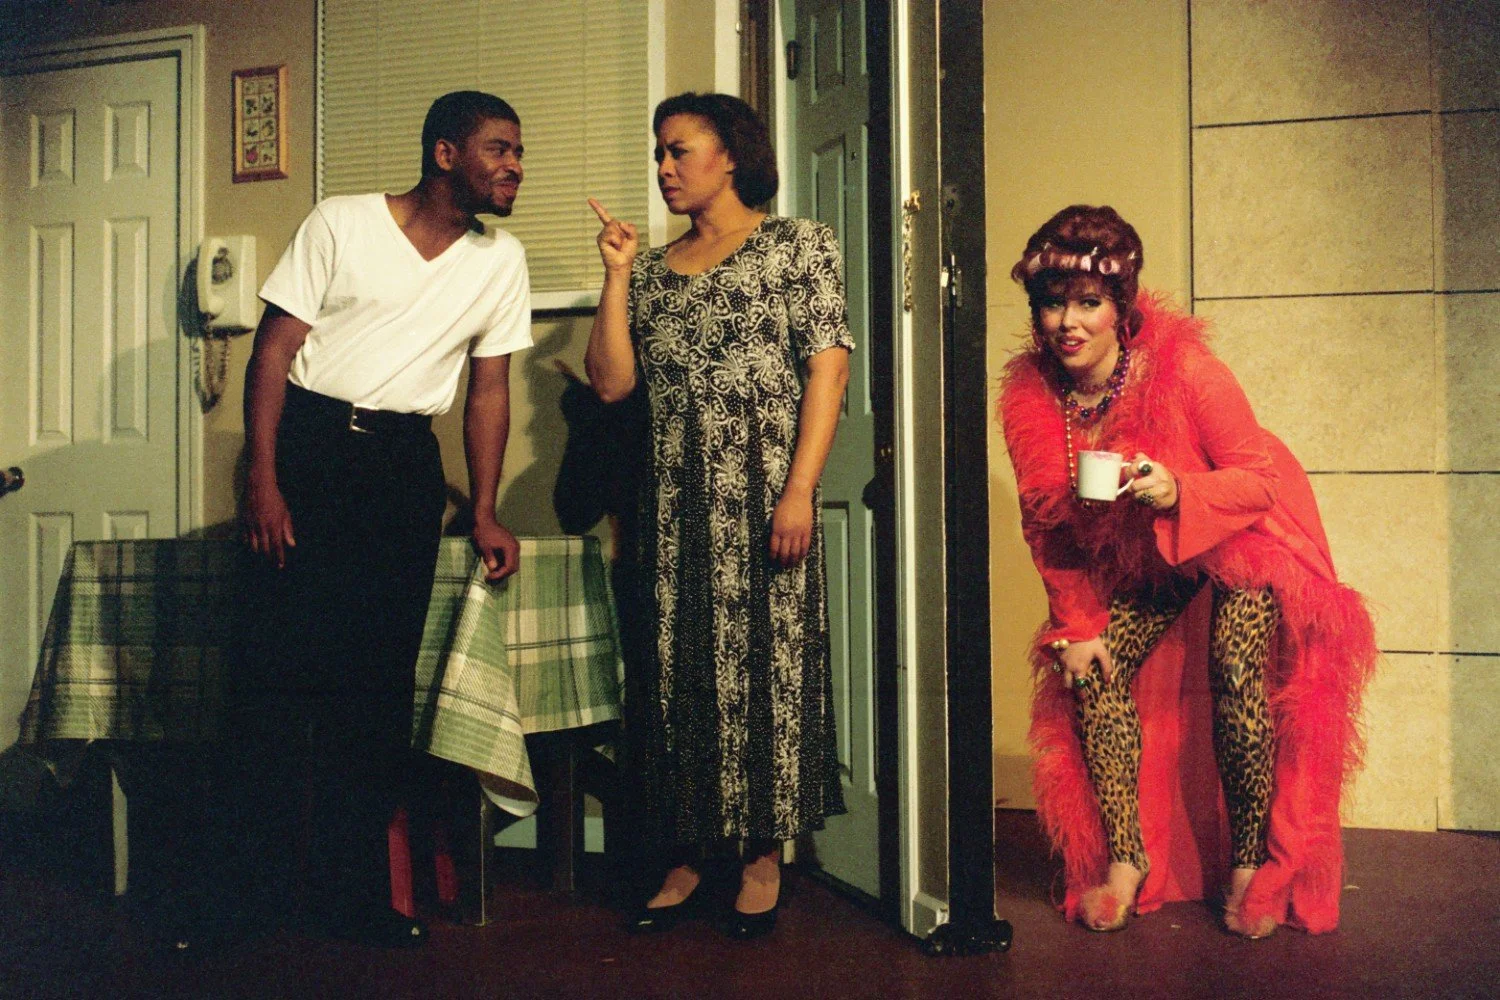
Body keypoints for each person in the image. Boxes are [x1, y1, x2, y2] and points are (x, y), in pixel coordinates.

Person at [997, 205, 1377, 939]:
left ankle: (1249, 864)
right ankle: (1125, 861)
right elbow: (1047, 526)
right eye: (1052, 303)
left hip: (1245, 534)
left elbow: (1258, 481)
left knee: (1237, 669)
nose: (1068, 322)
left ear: (1121, 309)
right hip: (1155, 556)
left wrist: (1179, 489)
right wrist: (1076, 625)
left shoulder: (1187, 370)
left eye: (1088, 303)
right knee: (1092, 671)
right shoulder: (1032, 400)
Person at [232, 90, 531, 947]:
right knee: (278, 680)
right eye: (500, 150)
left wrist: (484, 510)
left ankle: (353, 899)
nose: (516, 166)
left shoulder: (499, 261)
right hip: (311, 451)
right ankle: (247, 900)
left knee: (375, 691)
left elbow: (489, 390)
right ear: (446, 153)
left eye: (519, 152)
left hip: (402, 467)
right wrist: (263, 476)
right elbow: (274, 351)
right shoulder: (341, 222)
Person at [584, 92, 852, 940]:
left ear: (729, 154)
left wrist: (801, 487)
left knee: (768, 670)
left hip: (766, 492)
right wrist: (618, 273)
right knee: (677, 672)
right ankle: (692, 850)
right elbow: (612, 384)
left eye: (678, 150)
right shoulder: (655, 273)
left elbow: (829, 371)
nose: (663, 168)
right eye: (657, 154)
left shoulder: (796, 245)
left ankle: (765, 852)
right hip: (671, 502)